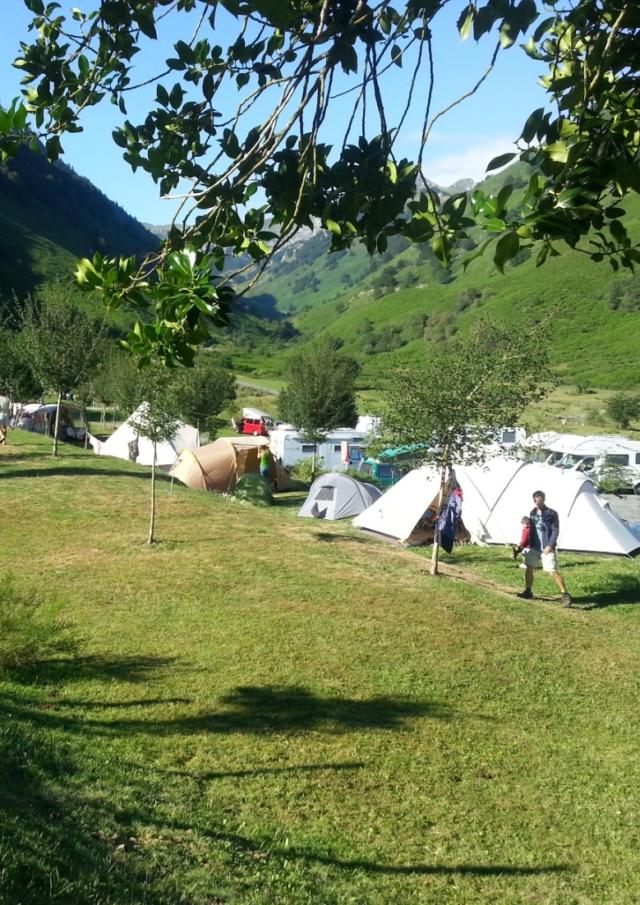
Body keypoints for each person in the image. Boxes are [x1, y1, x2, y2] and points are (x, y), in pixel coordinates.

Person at [517, 491, 572, 606]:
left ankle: (565, 594)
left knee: (552, 571)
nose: (538, 503)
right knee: (529, 568)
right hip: (535, 547)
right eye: (536, 501)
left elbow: (555, 531)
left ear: (543, 500)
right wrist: (525, 544)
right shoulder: (532, 513)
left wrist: (550, 545)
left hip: (547, 547)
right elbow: (531, 530)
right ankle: (528, 591)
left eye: (540, 501)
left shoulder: (551, 513)